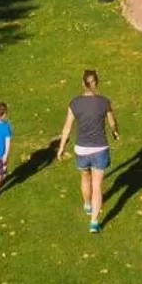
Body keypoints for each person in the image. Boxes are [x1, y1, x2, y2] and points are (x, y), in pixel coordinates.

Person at [57, 68, 118, 233]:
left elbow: (67, 127)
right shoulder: (104, 102)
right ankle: (94, 222)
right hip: (100, 149)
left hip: (81, 149)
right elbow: (112, 122)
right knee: (97, 185)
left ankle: (87, 205)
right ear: (96, 83)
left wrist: (61, 147)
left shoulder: (74, 103)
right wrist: (115, 132)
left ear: (82, 83)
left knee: (85, 176)